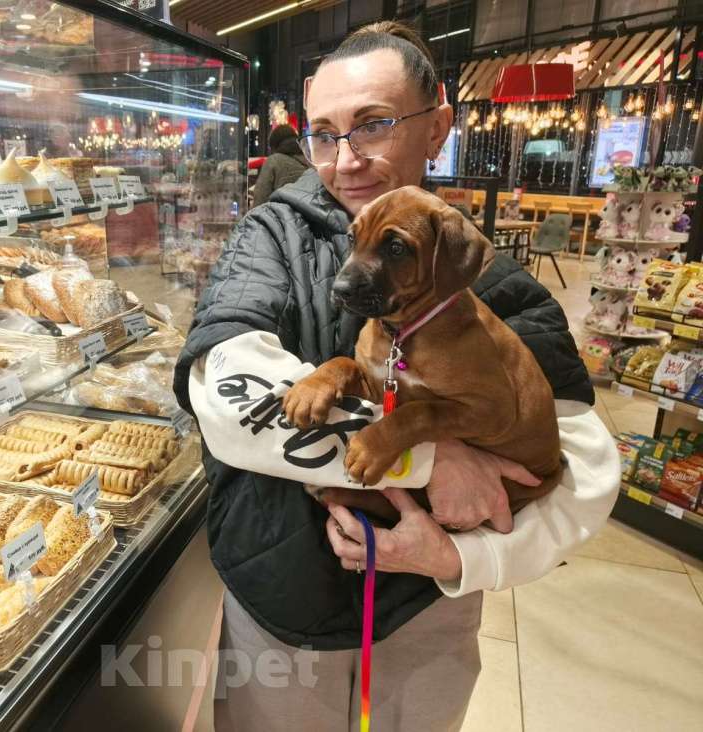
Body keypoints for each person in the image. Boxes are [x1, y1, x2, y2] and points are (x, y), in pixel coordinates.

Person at [172, 21, 618, 732]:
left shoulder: (494, 284)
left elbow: (586, 474)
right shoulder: (270, 236)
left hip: (426, 612)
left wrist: (461, 555)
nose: (346, 158)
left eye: (373, 125)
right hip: (281, 601)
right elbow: (229, 403)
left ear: (437, 125)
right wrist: (432, 458)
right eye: (323, 132)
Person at [251, 124, 311, 206]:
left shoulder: (273, 161)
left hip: (280, 216)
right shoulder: (310, 161)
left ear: (274, 145)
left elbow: (261, 197)